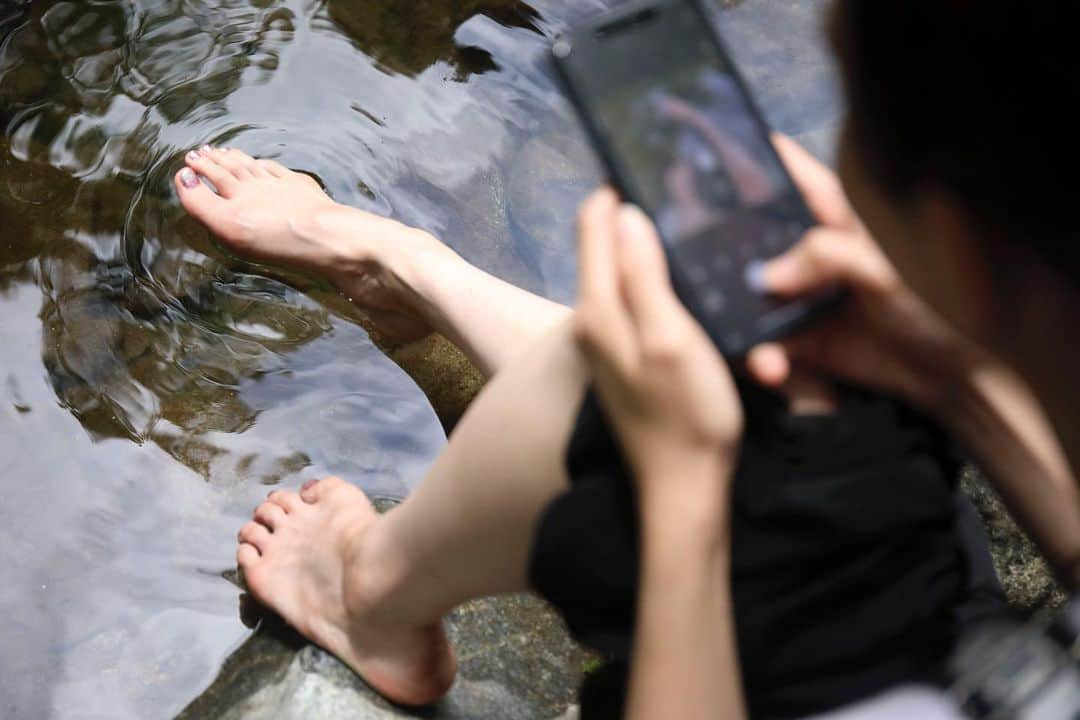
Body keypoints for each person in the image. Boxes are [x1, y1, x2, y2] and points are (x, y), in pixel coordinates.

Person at [169, 4, 1079, 719]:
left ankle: (368, 588)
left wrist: (681, 488)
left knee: (666, 414)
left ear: (964, 255)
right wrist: (945, 374)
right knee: (763, 379)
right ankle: (406, 267)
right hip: (953, 658)